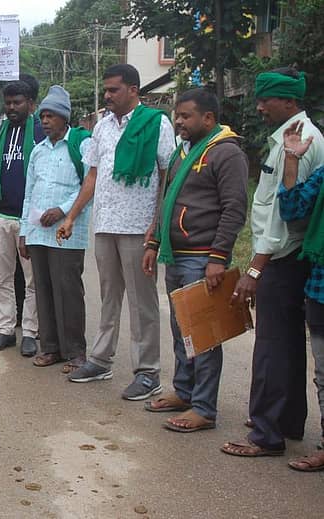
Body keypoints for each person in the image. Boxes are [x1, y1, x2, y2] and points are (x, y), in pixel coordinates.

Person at [221, 68, 324, 457]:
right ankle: (287, 420)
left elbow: (283, 217)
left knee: (271, 346)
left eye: (266, 100)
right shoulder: (291, 137)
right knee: (289, 344)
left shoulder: (298, 142)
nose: (259, 107)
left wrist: (254, 268)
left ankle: (266, 434)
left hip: (282, 257)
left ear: (289, 101)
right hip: (288, 256)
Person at [58, 64, 175, 396]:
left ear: (133, 90)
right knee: (109, 296)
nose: (107, 96)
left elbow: (166, 176)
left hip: (139, 227)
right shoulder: (102, 127)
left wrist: (156, 225)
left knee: (142, 302)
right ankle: (101, 360)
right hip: (106, 223)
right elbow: (93, 175)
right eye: (106, 90)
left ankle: (148, 372)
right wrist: (72, 215)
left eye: (113, 90)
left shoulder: (157, 124)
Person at [142, 88, 248, 432]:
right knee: (181, 331)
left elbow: (234, 209)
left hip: (202, 257)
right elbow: (165, 198)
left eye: (186, 116)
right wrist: (154, 241)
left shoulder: (226, 153)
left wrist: (218, 257)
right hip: (176, 256)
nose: (179, 121)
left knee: (203, 334)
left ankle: (204, 408)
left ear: (208, 118)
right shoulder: (182, 151)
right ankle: (184, 391)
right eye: (177, 115)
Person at [17, 85, 90, 363]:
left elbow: (88, 185)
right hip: (38, 232)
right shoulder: (38, 151)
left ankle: (75, 352)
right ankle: (50, 348)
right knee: (43, 291)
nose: (45, 121)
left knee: (68, 291)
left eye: (51, 116)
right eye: (43, 117)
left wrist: (62, 210)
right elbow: (29, 193)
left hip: (67, 231)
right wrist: (24, 232)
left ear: (64, 117)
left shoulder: (81, 145)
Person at [0, 77, 43, 355]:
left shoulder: (41, 132)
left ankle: (30, 332)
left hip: (30, 218)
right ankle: (5, 330)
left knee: (31, 280)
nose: (12, 107)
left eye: (18, 102)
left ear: (31, 104)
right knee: (3, 278)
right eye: (8, 103)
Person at [275, 122, 324, 471]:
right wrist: (291, 159)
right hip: (321, 284)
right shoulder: (322, 175)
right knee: (323, 374)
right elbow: (292, 210)